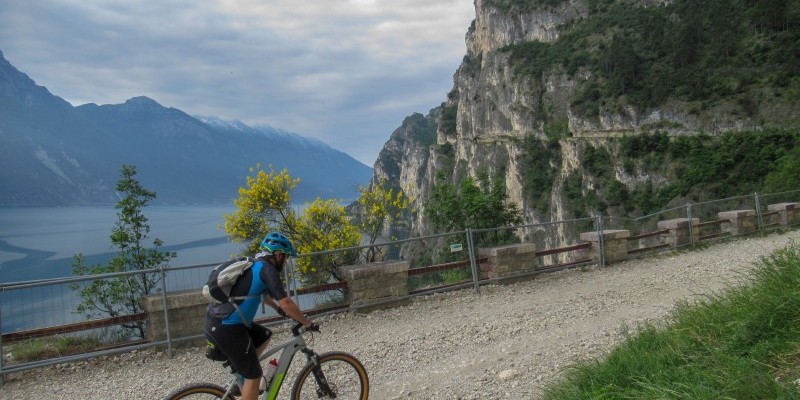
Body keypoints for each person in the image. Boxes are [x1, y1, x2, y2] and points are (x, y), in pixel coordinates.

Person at [204, 231, 316, 400]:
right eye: (285, 257)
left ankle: (241, 378)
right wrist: (307, 323)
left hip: (219, 322)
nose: (286, 261)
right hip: (228, 328)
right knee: (254, 376)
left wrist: (277, 309)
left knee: (264, 335)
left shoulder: (255, 265)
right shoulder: (268, 270)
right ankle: (247, 376)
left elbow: (260, 294)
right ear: (277, 254)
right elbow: (286, 302)